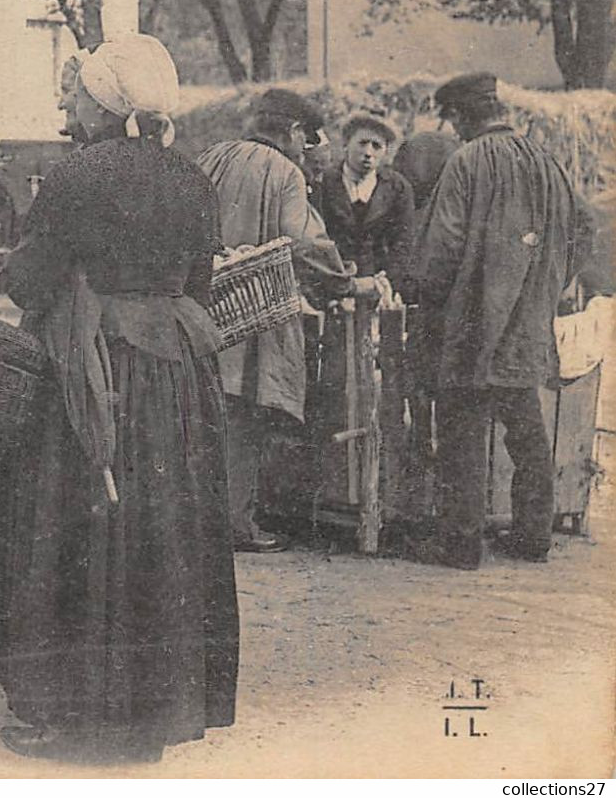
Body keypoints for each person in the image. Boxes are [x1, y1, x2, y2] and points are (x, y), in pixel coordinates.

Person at [0, 34, 238, 764]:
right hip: (173, 384)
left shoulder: (75, 176)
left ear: (105, 103)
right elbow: (198, 288)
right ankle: (150, 710)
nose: (66, 103)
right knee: (159, 536)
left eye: (76, 93)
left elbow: (26, 284)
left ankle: (66, 712)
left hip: (93, 378)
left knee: (72, 530)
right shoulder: (189, 178)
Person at [412, 72, 591, 569]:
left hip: (472, 320)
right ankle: (534, 536)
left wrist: (429, 298)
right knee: (527, 428)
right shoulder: (548, 161)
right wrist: (547, 283)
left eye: (453, 120)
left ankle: (460, 543)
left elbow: (443, 250)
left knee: (461, 428)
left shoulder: (465, 161)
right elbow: (584, 232)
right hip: (528, 322)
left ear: (463, 116)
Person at [198, 89, 379, 552]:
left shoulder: (211, 157)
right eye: (309, 138)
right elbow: (302, 244)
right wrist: (344, 281)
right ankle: (237, 524)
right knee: (245, 420)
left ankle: (203, 519)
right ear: (296, 132)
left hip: (202, 316)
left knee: (208, 420)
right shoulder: (285, 174)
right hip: (254, 320)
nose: (308, 149)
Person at [316, 109, 418, 294]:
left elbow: (403, 244)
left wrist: (385, 282)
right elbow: (317, 242)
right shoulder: (324, 183)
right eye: (362, 143)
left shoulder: (398, 188)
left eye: (377, 146)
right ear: (346, 144)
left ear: (386, 151)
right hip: (333, 283)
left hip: (379, 284)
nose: (368, 152)